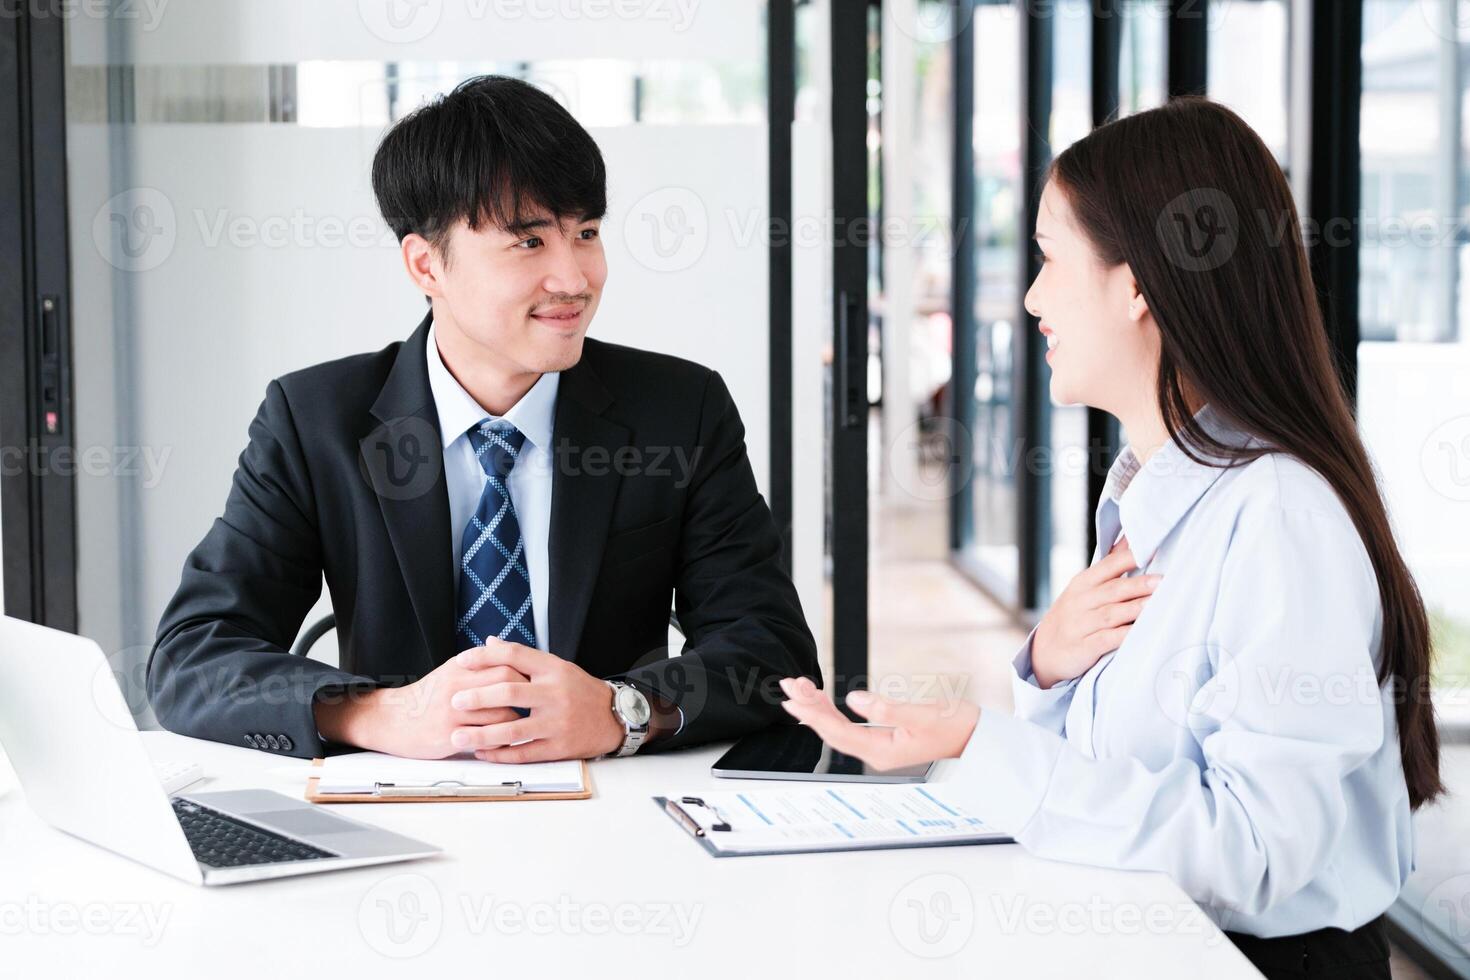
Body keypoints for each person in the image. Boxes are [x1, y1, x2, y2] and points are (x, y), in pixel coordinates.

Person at [778, 97, 1440, 980]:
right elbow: (1124, 780)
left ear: (1137, 286)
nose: (1030, 295)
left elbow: (1255, 855)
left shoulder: (1277, 517)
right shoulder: (1151, 494)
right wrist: (1048, 670)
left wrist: (979, 743)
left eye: (1050, 259)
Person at [148, 74, 818, 765]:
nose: (575, 277)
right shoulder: (314, 420)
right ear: (426, 264)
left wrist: (622, 711)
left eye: (585, 232)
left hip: (611, 813)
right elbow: (193, 659)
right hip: (396, 816)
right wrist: (381, 713)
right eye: (529, 243)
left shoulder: (679, 410)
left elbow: (772, 654)